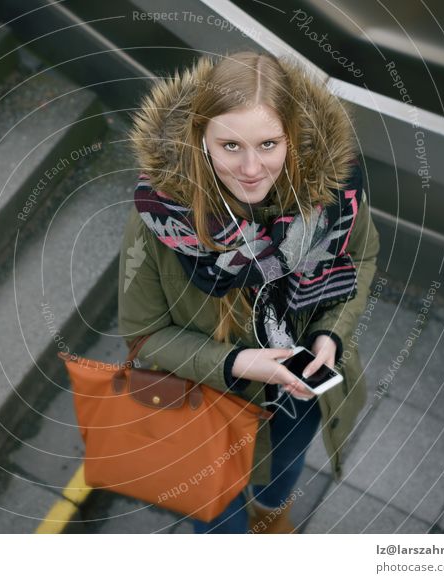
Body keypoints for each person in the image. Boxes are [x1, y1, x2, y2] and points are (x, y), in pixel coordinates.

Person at [117, 50, 381, 534]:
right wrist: (236, 363)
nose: (252, 168)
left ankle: (273, 517)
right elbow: (143, 333)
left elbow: (359, 260)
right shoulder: (159, 219)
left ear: (293, 137)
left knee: (280, 482)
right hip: (207, 406)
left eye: (268, 143)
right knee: (218, 522)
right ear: (202, 141)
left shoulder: (333, 198)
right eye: (231, 146)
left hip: (297, 396)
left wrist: (329, 337)